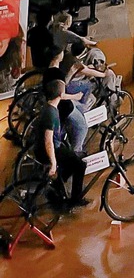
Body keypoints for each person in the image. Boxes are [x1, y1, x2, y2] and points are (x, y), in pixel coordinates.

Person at [34, 79, 89, 209]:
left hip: (50, 147)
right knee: (80, 165)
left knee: (72, 160)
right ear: (60, 94)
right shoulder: (51, 113)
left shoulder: (49, 108)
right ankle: (75, 199)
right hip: (49, 150)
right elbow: (48, 142)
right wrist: (53, 163)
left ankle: (58, 184)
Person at [43, 46, 89, 154]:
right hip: (64, 106)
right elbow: (60, 94)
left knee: (83, 108)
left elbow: (59, 87)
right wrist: (75, 96)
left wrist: (71, 73)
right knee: (83, 127)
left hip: (59, 104)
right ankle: (76, 152)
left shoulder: (49, 71)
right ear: (59, 56)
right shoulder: (57, 73)